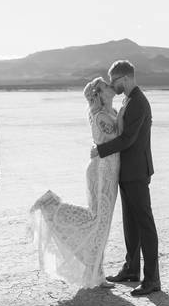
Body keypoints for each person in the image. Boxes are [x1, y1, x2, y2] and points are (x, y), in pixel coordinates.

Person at [29, 77, 121, 288]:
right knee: (97, 218)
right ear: (99, 94)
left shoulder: (111, 113)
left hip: (110, 170)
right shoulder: (100, 117)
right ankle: (51, 205)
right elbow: (120, 139)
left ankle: (96, 271)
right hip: (101, 171)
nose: (111, 86)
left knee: (101, 225)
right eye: (107, 85)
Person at [95, 60, 160, 296]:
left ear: (124, 78)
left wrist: (100, 150)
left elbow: (129, 139)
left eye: (114, 81)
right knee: (130, 223)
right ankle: (132, 269)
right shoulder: (128, 100)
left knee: (144, 224)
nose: (112, 85)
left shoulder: (138, 103)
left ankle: (152, 279)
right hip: (127, 170)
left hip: (137, 172)